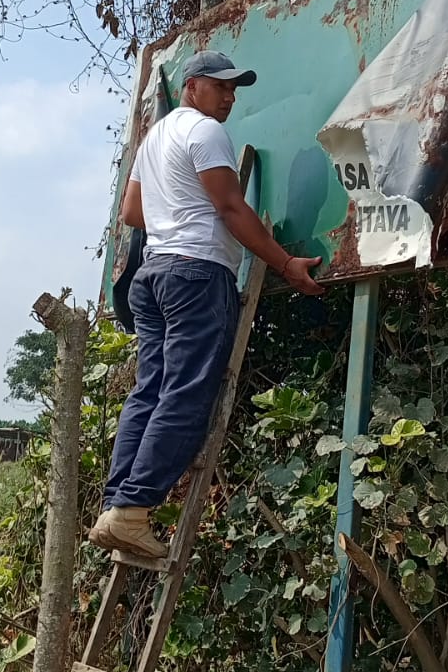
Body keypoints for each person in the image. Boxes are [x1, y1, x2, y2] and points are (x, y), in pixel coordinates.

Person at [90, 49, 324, 561]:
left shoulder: (155, 138)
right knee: (185, 393)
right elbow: (231, 207)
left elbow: (132, 212)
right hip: (196, 274)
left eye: (234, 90)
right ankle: (132, 510)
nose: (230, 98)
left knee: (149, 391)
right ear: (192, 86)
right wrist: (286, 263)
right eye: (221, 87)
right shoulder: (205, 131)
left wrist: (174, 216)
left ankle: (116, 507)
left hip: (152, 275)